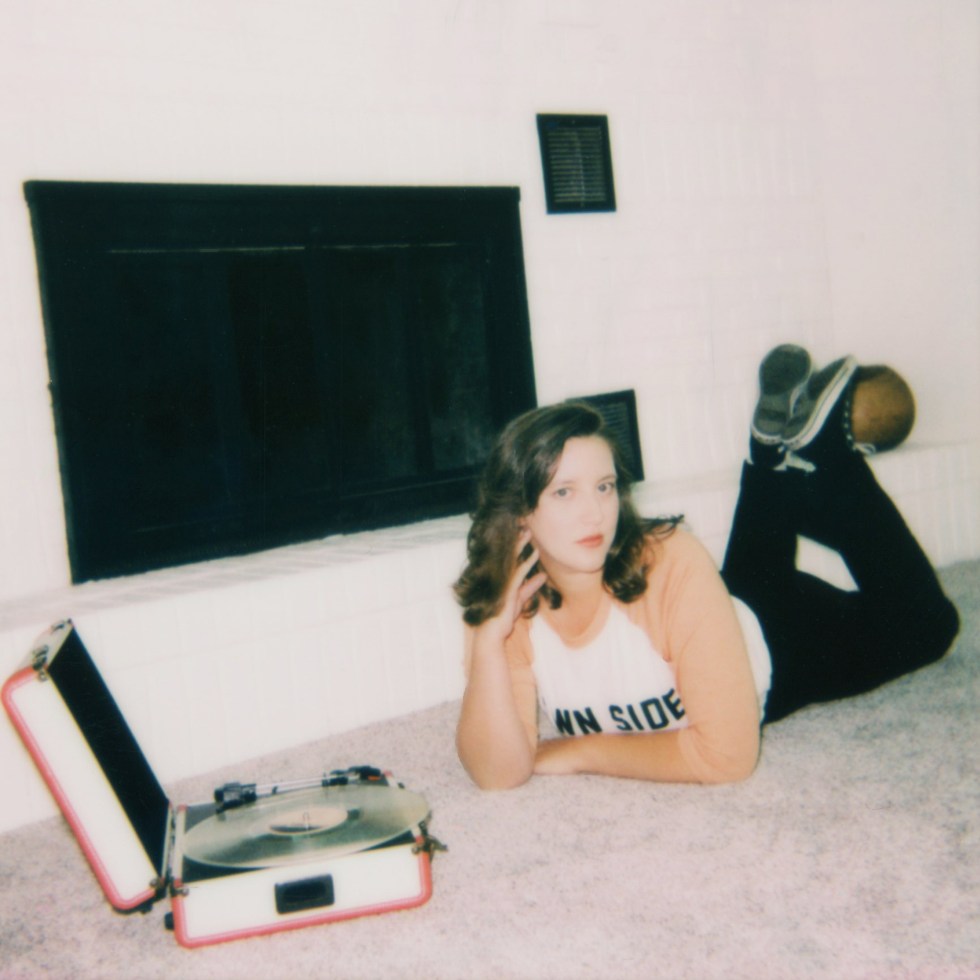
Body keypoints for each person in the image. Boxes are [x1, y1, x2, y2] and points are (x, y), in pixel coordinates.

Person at [453, 345, 960, 789]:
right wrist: (488, 641)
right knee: (749, 580)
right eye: (564, 492)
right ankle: (768, 456)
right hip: (722, 606)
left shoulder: (669, 560)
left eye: (604, 487)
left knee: (931, 626)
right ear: (520, 514)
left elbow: (727, 757)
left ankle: (830, 457)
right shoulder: (509, 600)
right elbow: (499, 773)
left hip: (786, 637)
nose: (595, 513)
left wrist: (582, 751)